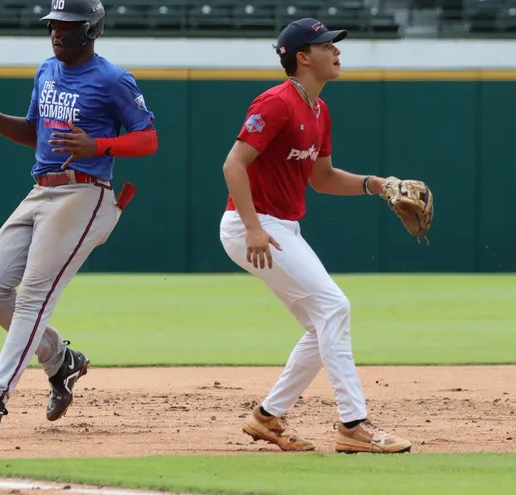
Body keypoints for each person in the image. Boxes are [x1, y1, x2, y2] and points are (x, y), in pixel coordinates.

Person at [0, 0, 158, 437]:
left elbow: (149, 138)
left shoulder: (113, 79)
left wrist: (99, 146)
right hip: (42, 189)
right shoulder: (46, 71)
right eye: (53, 25)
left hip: (85, 194)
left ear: (90, 29)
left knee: (33, 296)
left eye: (66, 26)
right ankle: (61, 361)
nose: (57, 33)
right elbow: (34, 132)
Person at [218, 17, 413, 454]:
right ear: (303, 57)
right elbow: (233, 164)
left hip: (282, 227)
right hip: (255, 226)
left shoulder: (319, 111)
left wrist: (376, 184)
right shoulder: (276, 103)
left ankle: (267, 416)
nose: (336, 51)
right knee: (334, 307)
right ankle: (353, 425)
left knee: (322, 324)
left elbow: (322, 178)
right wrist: (252, 227)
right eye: (327, 45)